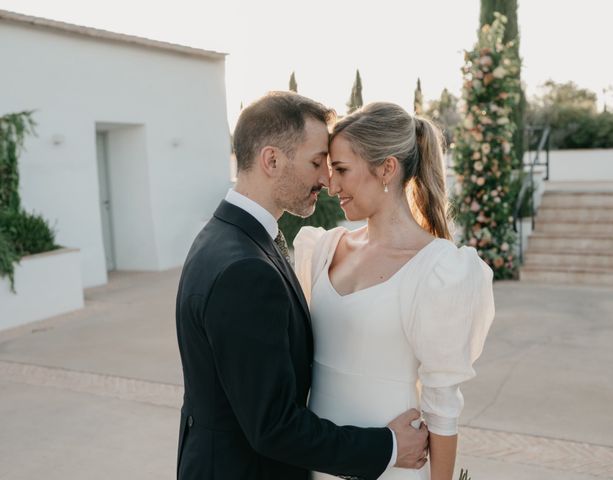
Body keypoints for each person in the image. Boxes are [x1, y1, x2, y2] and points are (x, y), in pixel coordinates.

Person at [175, 92, 429, 480]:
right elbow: (273, 427)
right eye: (316, 162)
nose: (326, 180)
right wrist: (389, 446)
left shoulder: (222, 235)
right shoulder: (245, 269)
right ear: (272, 160)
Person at [294, 102, 495, 480]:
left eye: (341, 170)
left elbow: (442, 402)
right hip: (318, 459)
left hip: (393, 468)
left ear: (387, 168)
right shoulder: (321, 249)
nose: (331, 184)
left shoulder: (440, 270)